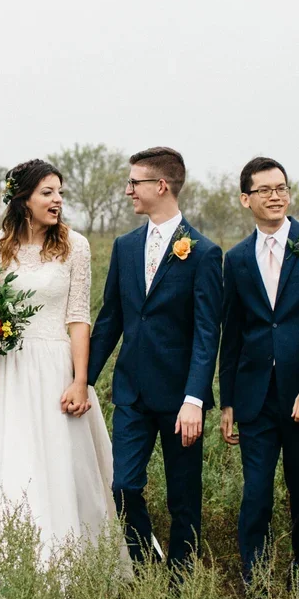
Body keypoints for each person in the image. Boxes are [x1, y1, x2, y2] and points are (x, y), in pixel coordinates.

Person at [0, 160, 126, 570]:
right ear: (22, 198)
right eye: (47, 192)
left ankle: (65, 566)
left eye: (60, 193)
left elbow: (79, 318)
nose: (57, 200)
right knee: (2, 464)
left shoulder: (75, 246)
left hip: (53, 368)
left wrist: (81, 381)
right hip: (3, 374)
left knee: (58, 467)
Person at [88, 146, 222, 573]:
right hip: (131, 392)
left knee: (183, 495)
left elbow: (207, 333)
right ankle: (147, 564)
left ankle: (182, 577)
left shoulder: (202, 252)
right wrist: (83, 380)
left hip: (181, 398)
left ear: (160, 186)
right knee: (123, 485)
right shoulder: (125, 247)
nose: (128, 191)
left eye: (134, 183)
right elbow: (110, 319)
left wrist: (194, 399)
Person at [219, 156, 299, 590]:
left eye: (281, 188)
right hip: (255, 397)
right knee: (256, 493)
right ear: (245, 199)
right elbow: (231, 332)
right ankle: (255, 581)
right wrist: (229, 400)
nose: (275, 196)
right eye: (265, 190)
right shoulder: (236, 259)